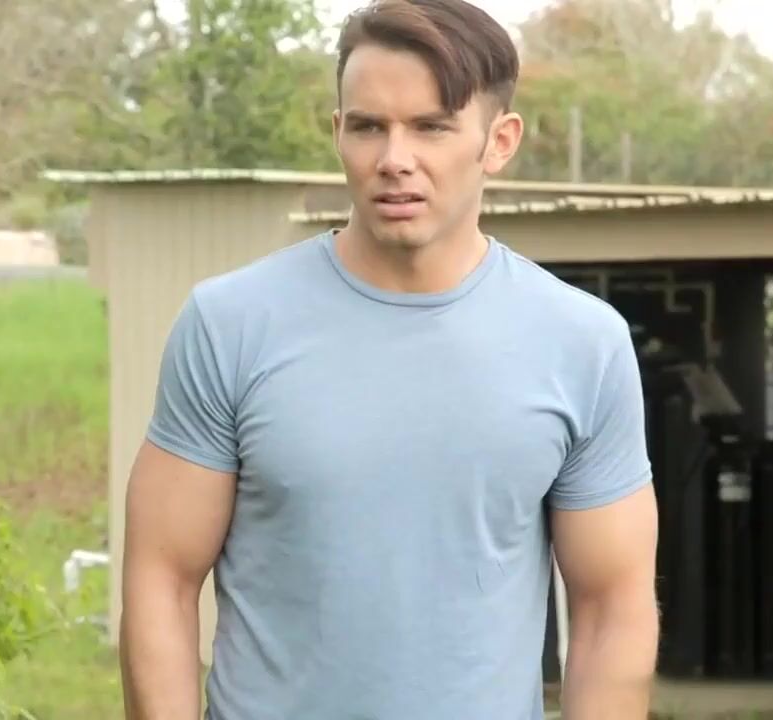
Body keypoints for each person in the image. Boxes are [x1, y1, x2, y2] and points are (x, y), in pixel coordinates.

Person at [118, 0, 660, 718]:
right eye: (368, 126)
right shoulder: (230, 325)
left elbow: (611, 608)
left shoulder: (582, 343)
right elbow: (160, 579)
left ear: (499, 141)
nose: (394, 159)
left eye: (431, 127)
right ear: (337, 133)